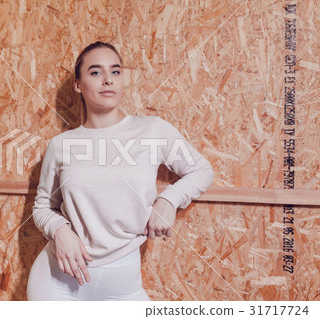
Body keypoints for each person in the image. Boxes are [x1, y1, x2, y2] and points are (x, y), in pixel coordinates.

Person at [26, 41, 214, 301]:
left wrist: (168, 200)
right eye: (95, 72)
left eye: (115, 71)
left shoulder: (152, 130)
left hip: (122, 286)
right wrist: (60, 231)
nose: (107, 80)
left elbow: (201, 170)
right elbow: (43, 207)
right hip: (56, 280)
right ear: (78, 85)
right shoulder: (61, 145)